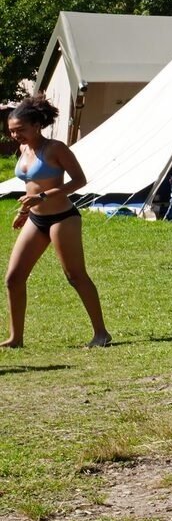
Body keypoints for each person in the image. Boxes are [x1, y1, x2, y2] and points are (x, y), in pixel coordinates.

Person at [6, 98, 110, 349]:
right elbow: (30, 185)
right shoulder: (23, 150)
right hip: (36, 218)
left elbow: (79, 181)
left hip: (63, 218)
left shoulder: (55, 148)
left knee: (75, 275)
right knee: (13, 278)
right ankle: (15, 338)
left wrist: (41, 197)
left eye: (20, 129)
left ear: (36, 124)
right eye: (11, 130)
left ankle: (101, 334)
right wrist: (25, 209)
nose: (15, 134)